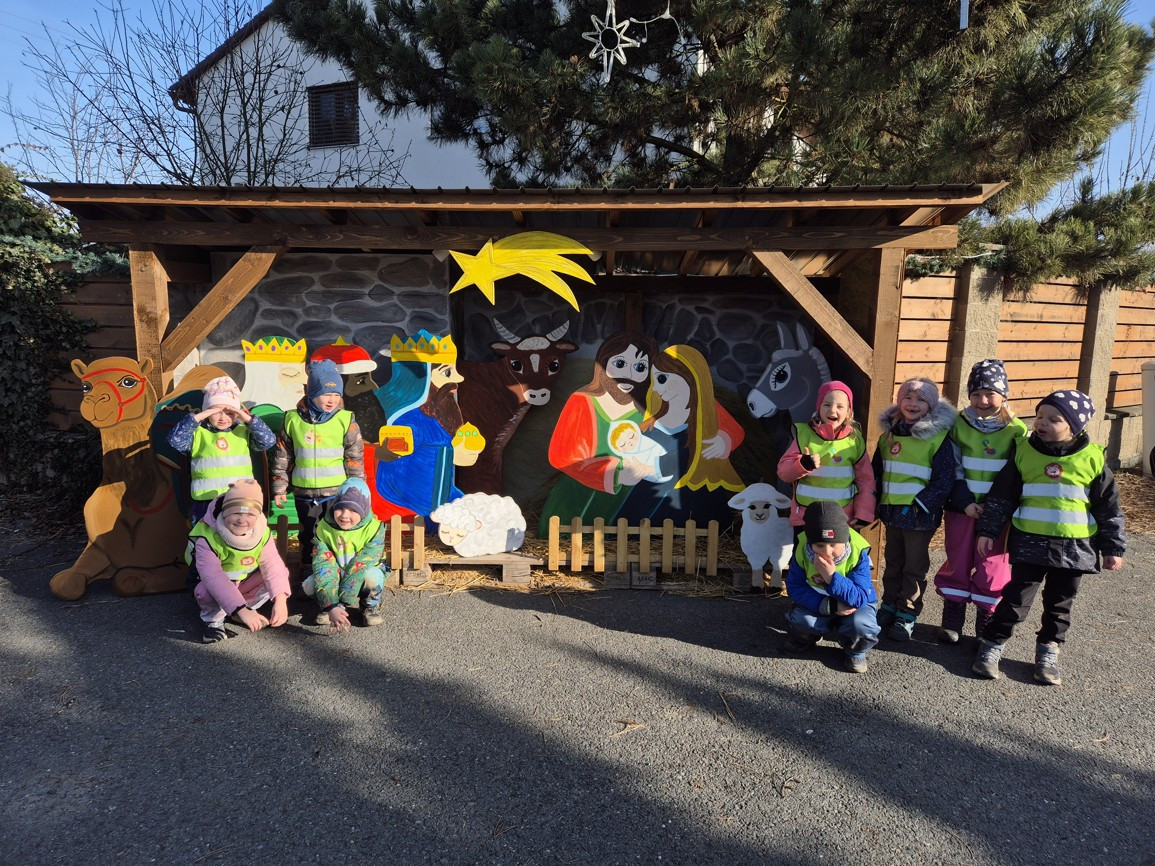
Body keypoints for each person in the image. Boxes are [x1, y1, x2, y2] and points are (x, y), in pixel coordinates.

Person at [971, 390, 1126, 684]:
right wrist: (988, 530)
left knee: (1059, 606)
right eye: (1040, 416)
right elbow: (1002, 497)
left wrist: (1113, 547)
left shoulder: (1092, 459)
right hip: (1030, 545)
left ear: (1074, 427)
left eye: (1053, 419)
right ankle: (991, 646)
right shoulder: (1024, 452)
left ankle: (1048, 652)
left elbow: (1109, 508)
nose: (1042, 423)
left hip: (1074, 550)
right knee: (1014, 600)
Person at [933, 360, 1028, 643]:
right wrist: (964, 502)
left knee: (992, 564)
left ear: (1004, 395)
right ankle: (953, 613)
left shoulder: (1017, 430)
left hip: (997, 513)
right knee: (958, 558)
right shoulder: (957, 425)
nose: (983, 401)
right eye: (976, 394)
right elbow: (952, 466)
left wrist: (995, 508)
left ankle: (987, 615)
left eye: (990, 394)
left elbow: (1015, 474)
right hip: (962, 508)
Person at [537, 332, 659, 535]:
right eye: (620, 364)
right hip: (578, 499)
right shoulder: (582, 401)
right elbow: (559, 455)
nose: (629, 374)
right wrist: (614, 474)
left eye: (640, 368)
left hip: (629, 507)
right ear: (603, 364)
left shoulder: (648, 410)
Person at [616, 345, 746, 525]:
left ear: (688, 375)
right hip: (651, 492)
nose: (656, 388)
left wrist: (723, 440)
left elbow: (735, 431)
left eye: (662, 379)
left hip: (692, 489)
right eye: (655, 381)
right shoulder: (654, 418)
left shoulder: (706, 411)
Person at [871, 377, 957, 640]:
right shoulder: (888, 435)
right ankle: (889, 605)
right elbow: (877, 472)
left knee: (914, 567)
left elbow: (944, 479)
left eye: (921, 399)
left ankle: (907, 614)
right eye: (907, 397)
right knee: (893, 562)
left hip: (919, 516)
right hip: (892, 513)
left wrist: (922, 504)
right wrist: (875, 502)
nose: (912, 403)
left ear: (931, 406)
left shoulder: (937, 438)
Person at [271, 359, 365, 572]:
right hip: (304, 493)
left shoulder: (345, 420)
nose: (332, 400)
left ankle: (335, 573)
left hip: (336, 493)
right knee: (308, 535)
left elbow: (354, 458)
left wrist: (356, 488)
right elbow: (283, 457)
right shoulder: (292, 420)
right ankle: (309, 572)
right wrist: (279, 488)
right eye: (326, 394)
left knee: (336, 533)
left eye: (336, 394)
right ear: (312, 393)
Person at [782, 500, 880, 673]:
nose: (827, 552)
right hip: (818, 600)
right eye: (819, 545)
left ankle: (855, 651)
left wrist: (832, 577)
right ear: (810, 542)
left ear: (844, 539)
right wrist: (830, 606)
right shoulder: (802, 549)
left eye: (834, 545)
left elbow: (860, 597)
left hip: (855, 605)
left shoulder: (858, 551)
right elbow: (795, 587)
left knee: (862, 625)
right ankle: (807, 637)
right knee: (801, 621)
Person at [187, 478, 290, 643]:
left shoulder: (262, 533)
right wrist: (240, 609)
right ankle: (213, 620)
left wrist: (280, 599)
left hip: (242, 583)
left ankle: (239, 611)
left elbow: (273, 565)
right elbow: (213, 577)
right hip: (213, 585)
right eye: (235, 512)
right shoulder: (207, 538)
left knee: (277, 574)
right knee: (205, 590)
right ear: (224, 512)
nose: (242, 520)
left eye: (250, 514)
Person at [166, 375, 276, 523]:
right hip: (206, 501)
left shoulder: (243, 431)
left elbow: (268, 441)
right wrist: (198, 417)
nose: (223, 418)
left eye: (229, 413)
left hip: (239, 498)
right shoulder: (197, 433)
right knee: (205, 534)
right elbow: (175, 441)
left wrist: (248, 419)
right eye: (216, 412)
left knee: (238, 533)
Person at [777, 380, 875, 534]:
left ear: (849, 412)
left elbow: (866, 480)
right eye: (827, 404)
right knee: (804, 550)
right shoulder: (805, 435)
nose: (832, 410)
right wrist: (803, 464)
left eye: (840, 406)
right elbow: (784, 472)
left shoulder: (854, 440)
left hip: (841, 519)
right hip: (805, 518)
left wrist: (864, 513)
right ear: (819, 407)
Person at [309, 477, 388, 633]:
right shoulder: (324, 528)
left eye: (353, 510)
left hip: (362, 573)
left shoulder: (374, 529)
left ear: (364, 509)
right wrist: (331, 605)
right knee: (310, 584)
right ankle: (327, 607)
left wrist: (342, 603)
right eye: (340, 508)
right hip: (337, 572)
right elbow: (324, 564)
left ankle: (369, 606)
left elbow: (361, 564)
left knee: (373, 576)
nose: (344, 515)